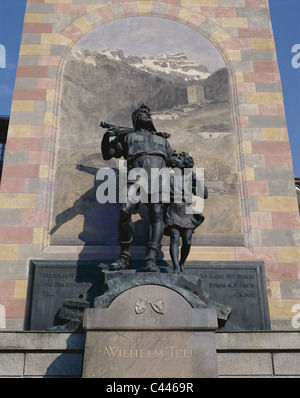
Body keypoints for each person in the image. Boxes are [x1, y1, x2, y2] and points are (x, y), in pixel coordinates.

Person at [101, 104, 178, 272]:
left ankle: (151, 259)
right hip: (135, 176)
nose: (147, 114)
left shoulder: (163, 140)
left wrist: (181, 162)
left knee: (157, 214)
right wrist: (108, 136)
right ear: (135, 118)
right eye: (142, 113)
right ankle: (125, 257)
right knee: (124, 210)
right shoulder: (128, 137)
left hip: (159, 177)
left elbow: (173, 160)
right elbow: (108, 153)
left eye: (148, 113)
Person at [164, 152, 208, 273]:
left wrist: (195, 178)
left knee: (187, 241)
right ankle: (176, 266)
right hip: (172, 209)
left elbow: (204, 194)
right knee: (175, 238)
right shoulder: (169, 177)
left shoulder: (190, 179)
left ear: (184, 164)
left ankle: (182, 263)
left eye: (179, 159)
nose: (176, 161)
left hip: (186, 211)